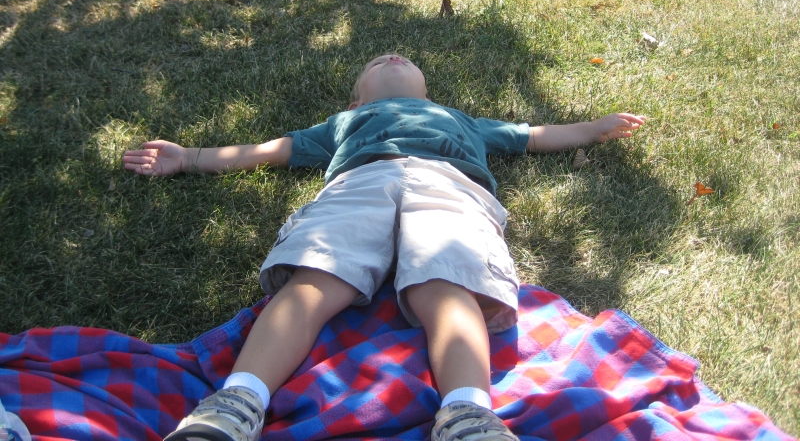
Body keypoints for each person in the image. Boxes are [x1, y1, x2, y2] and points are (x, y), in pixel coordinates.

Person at [123, 54, 644, 441]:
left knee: (449, 284)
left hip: (449, 190)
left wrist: (592, 128)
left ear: (429, 95)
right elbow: (270, 150)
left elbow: (531, 135)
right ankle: (236, 403)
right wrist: (189, 156)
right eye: (376, 62)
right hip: (360, 186)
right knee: (316, 278)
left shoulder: (462, 120)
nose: (391, 57)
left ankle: (469, 414)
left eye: (401, 59)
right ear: (356, 102)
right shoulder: (344, 124)